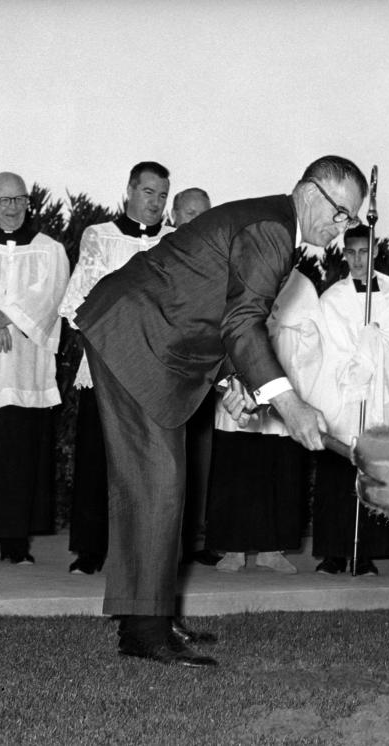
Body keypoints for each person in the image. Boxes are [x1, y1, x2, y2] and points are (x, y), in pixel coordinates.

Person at [75, 155, 367, 667]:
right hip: (134, 336)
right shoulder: (273, 230)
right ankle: (145, 630)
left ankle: (149, 617)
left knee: (160, 483)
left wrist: (237, 381)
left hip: (147, 338)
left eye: (350, 220)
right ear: (311, 191)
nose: (342, 229)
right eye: (341, 213)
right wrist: (290, 403)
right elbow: (244, 323)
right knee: (157, 482)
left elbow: (225, 310)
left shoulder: (273, 228)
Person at [59, 162, 174, 575]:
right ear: (128, 190)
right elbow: (77, 302)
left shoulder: (176, 242)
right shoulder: (100, 237)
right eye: (148, 193)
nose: (155, 203)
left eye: (162, 196)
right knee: (98, 461)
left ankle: (146, 553)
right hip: (107, 367)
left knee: (152, 467)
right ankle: (91, 550)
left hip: (157, 372)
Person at [0, 172, 69, 563]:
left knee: (16, 457)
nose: (12, 208)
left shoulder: (49, 250)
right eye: (4, 199)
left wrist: (7, 317)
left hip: (22, 368)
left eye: (19, 200)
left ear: (28, 202)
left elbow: (51, 294)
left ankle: (15, 545)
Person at [311, 224, 389, 576]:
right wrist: (352, 360)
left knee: (372, 470)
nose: (358, 259)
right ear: (345, 254)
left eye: (364, 252)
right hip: (342, 395)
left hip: (377, 397)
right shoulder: (333, 298)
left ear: (375, 252)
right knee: (337, 470)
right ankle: (333, 551)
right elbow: (324, 345)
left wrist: (374, 345)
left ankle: (367, 550)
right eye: (352, 252)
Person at [168, 187, 220, 567]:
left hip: (201, 374)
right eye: (189, 213)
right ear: (173, 215)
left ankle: (196, 541)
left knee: (199, 462)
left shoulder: (218, 260)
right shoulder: (154, 254)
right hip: (163, 375)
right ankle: (164, 543)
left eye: (203, 214)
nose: (196, 220)